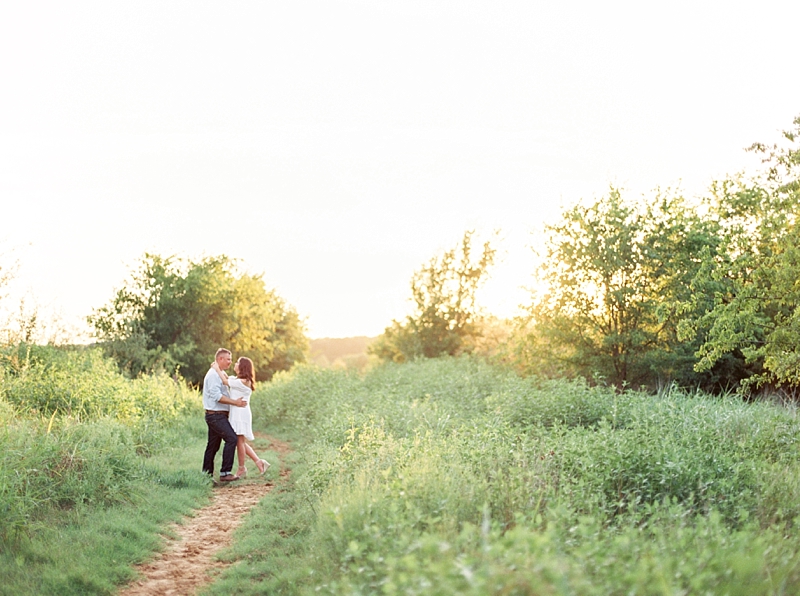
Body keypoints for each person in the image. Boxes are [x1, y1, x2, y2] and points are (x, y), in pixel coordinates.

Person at [212, 356, 271, 477]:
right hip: (238, 412)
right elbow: (228, 378)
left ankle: (242, 468)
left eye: (238, 362)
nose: (235, 363)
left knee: (239, 441)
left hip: (240, 414)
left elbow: (225, 381)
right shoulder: (240, 380)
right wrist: (221, 371)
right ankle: (259, 462)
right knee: (240, 441)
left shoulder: (243, 382)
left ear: (242, 367)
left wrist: (216, 368)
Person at [202, 348, 246, 482]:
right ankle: (225, 473)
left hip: (218, 415)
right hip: (216, 416)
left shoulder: (219, 373)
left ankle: (207, 475)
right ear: (220, 359)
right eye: (228, 359)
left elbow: (230, 382)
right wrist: (235, 403)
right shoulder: (213, 375)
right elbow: (217, 397)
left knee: (213, 446)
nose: (230, 362)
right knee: (231, 438)